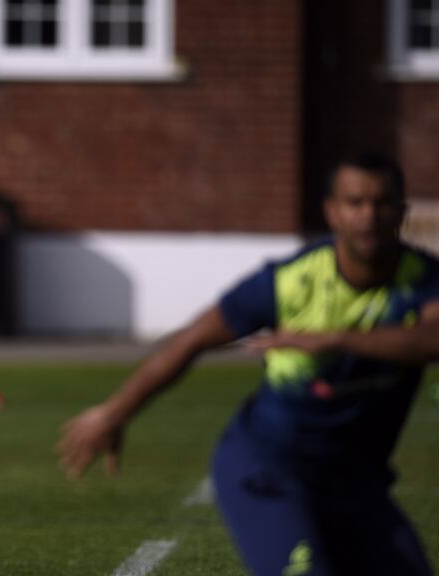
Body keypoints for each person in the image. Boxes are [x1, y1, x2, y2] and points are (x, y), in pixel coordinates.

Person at [58, 153, 436, 576]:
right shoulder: (290, 281)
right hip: (270, 472)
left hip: (358, 484)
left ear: (402, 212)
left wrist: (334, 339)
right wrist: (115, 412)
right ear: (331, 212)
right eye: (355, 202)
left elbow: (432, 338)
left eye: (382, 203)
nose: (369, 216)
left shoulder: (423, 282)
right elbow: (191, 339)